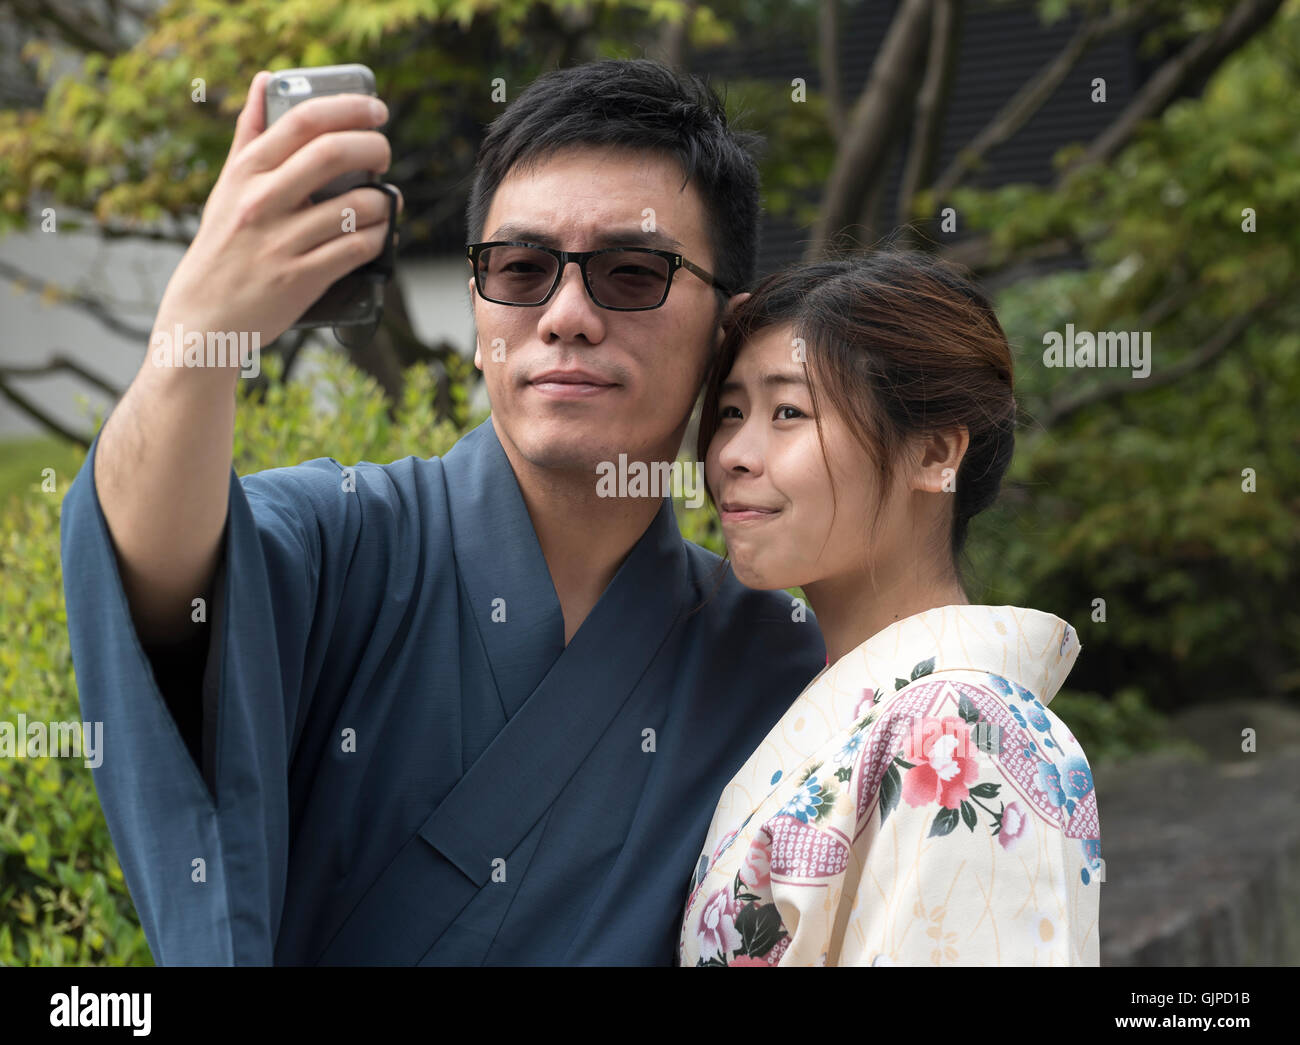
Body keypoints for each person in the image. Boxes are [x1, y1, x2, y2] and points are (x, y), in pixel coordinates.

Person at [59, 59, 826, 965]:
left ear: (725, 333)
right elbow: (149, 568)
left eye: (631, 273)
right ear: (476, 315)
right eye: (522, 268)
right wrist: (197, 334)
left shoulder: (773, 663)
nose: (567, 314)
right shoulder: (342, 538)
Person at [678, 253, 1101, 966]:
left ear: (935, 452)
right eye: (729, 412)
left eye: (788, 411)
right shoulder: (855, 710)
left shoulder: (962, 732)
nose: (733, 456)